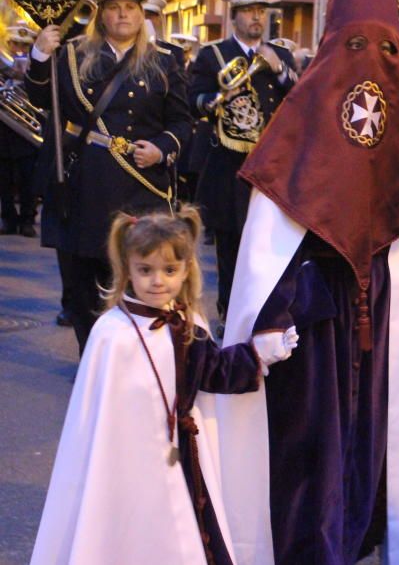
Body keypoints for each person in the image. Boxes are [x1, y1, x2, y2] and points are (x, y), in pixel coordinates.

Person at [212, 0, 399, 562]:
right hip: (313, 318)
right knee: (310, 450)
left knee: (382, 438)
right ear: (330, 50)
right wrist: (272, 312)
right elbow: (270, 238)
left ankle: (375, 528)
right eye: (354, 47)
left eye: (384, 49)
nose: (368, 69)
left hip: (387, 312)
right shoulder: (303, 115)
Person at [30, 206, 297, 565]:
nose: (158, 281)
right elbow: (97, 419)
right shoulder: (112, 334)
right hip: (123, 461)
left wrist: (260, 354)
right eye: (146, 270)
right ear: (128, 270)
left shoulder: (187, 323)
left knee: (183, 535)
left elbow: (214, 371)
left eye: (169, 270)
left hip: (181, 457)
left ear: (186, 270)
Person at [26, 0, 193, 354]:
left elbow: (183, 122)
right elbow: (39, 100)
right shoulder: (71, 55)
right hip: (85, 185)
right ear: (101, 13)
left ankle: (138, 362)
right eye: (114, 7)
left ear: (143, 14)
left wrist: (162, 147)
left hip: (142, 187)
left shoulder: (166, 60)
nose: (123, 15)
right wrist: (39, 54)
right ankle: (93, 363)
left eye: (131, 8)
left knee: (141, 284)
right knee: (84, 288)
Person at [188, 0, 296, 327]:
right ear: (234, 16)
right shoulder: (213, 55)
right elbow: (194, 101)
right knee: (231, 249)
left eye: (261, 11)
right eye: (249, 11)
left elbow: (299, 99)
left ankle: (266, 316)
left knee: (269, 246)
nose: (256, 18)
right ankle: (231, 316)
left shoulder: (281, 56)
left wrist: (278, 69)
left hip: (272, 169)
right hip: (230, 168)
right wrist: (218, 102)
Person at [0, 21, 40, 237]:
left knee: (28, 179)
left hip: (26, 133)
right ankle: (7, 219)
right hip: (3, 132)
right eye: (16, 44)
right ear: (8, 44)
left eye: (25, 46)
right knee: (3, 179)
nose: (20, 50)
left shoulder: (37, 70)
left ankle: (27, 219)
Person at [143, 0, 186, 71]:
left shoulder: (174, 51)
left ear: (159, 19)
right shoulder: (123, 47)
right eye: (142, 16)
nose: (146, 21)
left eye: (149, 16)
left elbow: (181, 81)